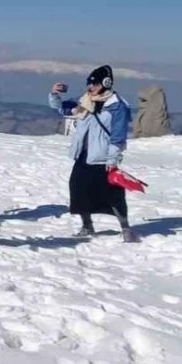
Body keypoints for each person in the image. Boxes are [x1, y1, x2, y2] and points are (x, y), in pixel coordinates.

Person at [48, 65, 139, 242]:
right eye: (89, 84)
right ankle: (87, 225)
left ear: (106, 83)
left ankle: (125, 228)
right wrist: (55, 95)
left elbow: (118, 135)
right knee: (79, 189)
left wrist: (113, 158)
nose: (91, 88)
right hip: (84, 154)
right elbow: (64, 109)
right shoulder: (86, 101)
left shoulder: (116, 106)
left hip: (103, 157)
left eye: (95, 84)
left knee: (112, 194)